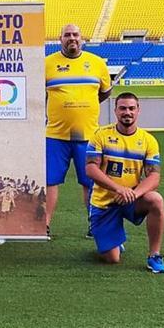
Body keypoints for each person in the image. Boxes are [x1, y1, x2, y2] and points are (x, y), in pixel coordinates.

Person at [84, 92, 164, 274]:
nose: (127, 112)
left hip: (131, 199)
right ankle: (113, 240)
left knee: (156, 200)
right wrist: (119, 189)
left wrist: (133, 193)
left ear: (138, 110)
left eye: (131, 108)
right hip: (104, 203)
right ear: (115, 111)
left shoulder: (148, 140)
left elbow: (154, 176)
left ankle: (154, 255)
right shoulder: (100, 135)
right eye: (122, 108)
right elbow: (91, 169)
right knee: (112, 259)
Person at [45, 23, 111, 238]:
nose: (72, 38)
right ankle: (44, 225)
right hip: (55, 136)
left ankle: (95, 224)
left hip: (89, 136)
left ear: (82, 38)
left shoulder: (97, 63)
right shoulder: (47, 63)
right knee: (50, 181)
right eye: (67, 35)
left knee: (91, 182)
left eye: (75, 34)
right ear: (60, 39)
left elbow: (105, 92)